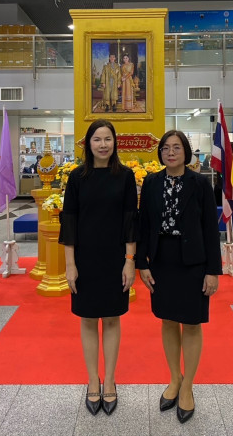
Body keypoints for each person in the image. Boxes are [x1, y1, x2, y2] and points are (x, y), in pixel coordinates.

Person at [137, 130, 222, 424]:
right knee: (168, 320)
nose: (171, 152)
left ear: (186, 152)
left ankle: (188, 387)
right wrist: (142, 263)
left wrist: (213, 270)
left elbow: (210, 228)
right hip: (162, 261)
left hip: (193, 262)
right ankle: (175, 378)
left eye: (176, 147)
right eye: (165, 148)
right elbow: (144, 224)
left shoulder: (200, 183)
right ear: (160, 153)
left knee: (192, 323)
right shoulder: (151, 182)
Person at [59, 119, 138, 416]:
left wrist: (129, 261)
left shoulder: (126, 176)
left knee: (113, 319)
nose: (103, 145)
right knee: (89, 319)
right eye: (97, 139)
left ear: (114, 142)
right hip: (85, 258)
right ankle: (93, 379)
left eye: (107, 139)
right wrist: (70, 265)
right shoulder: (77, 177)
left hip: (115, 257)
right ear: (88, 144)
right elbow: (69, 221)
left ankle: (111, 380)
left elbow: (131, 220)